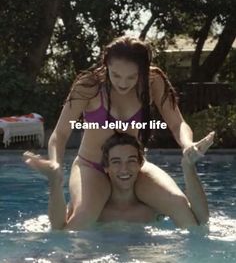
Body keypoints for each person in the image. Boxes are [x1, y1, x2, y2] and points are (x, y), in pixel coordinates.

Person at [23, 35, 213, 230]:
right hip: (91, 166)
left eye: (132, 76)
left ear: (143, 71)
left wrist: (187, 144)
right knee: (82, 218)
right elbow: (60, 134)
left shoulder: (153, 81)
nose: (123, 83)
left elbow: (177, 123)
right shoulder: (89, 85)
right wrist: (55, 163)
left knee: (179, 204)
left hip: (133, 166)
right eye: (116, 75)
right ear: (106, 66)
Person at [24, 132, 213, 228]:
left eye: (131, 161)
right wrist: (54, 183)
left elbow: (200, 224)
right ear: (105, 168)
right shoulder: (93, 209)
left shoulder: (153, 207)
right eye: (116, 162)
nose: (124, 169)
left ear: (140, 164)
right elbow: (58, 231)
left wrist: (188, 167)